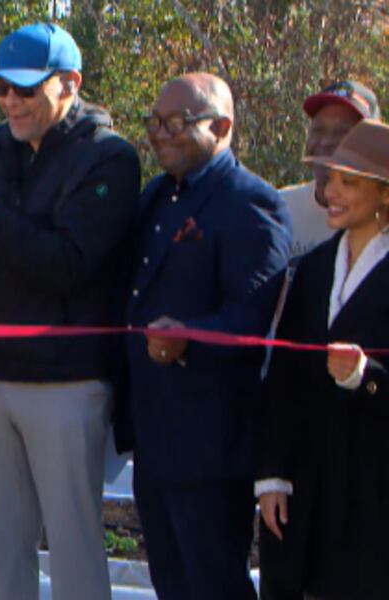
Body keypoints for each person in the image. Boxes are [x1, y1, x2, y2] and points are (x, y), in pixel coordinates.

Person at [0, 23, 140, 600]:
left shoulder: (109, 159)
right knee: (4, 547)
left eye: (24, 89)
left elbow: (68, 262)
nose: (9, 101)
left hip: (67, 383)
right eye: (0, 88)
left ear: (70, 84)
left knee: (73, 548)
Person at [125, 73, 291, 600]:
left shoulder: (251, 204)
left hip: (212, 444)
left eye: (175, 124)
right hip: (154, 434)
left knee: (213, 585)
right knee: (170, 582)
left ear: (221, 127)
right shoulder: (156, 197)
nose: (159, 134)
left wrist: (190, 336)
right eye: (153, 123)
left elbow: (252, 319)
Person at [256, 120, 389, 599]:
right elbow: (283, 378)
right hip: (303, 493)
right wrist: (271, 474)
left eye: (348, 182)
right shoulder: (311, 270)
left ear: (385, 194)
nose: (331, 191)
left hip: (373, 494)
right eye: (330, 178)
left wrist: (366, 377)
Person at [280, 81, 379, 258]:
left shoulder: (380, 227)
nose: (325, 142)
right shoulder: (280, 209)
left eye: (343, 133)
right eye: (319, 130)